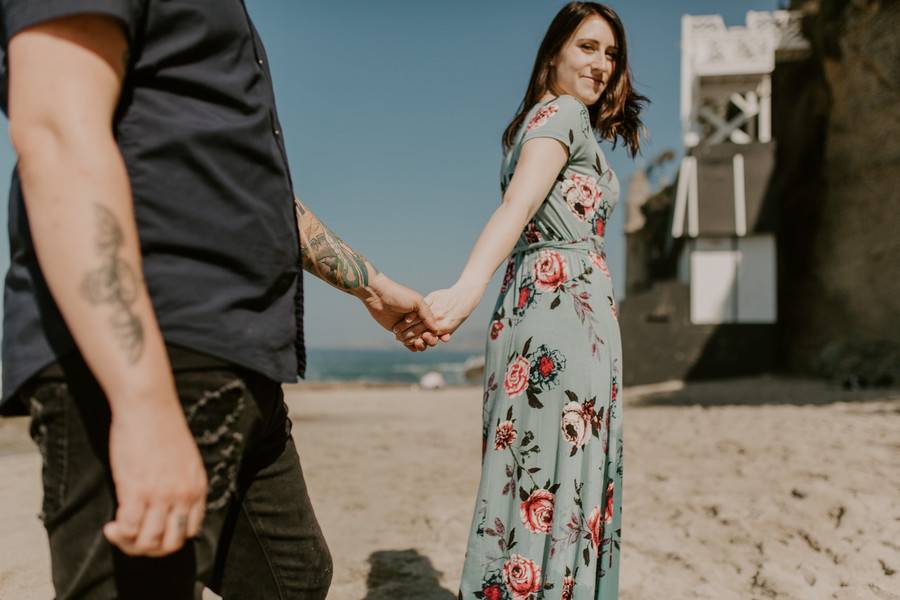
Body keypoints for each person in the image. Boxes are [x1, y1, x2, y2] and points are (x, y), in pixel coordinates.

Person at [0, 3, 442, 599]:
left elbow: (236, 180)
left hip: (242, 359)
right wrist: (142, 405)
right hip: (149, 351)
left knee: (295, 581)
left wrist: (370, 284)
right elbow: (57, 135)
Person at [395, 3, 646, 597]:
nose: (602, 64)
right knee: (549, 477)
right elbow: (517, 210)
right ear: (553, 53)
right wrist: (465, 291)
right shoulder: (560, 114)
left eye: (610, 54)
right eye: (587, 48)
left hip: (566, 316)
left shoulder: (560, 119)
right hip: (558, 319)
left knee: (550, 476)